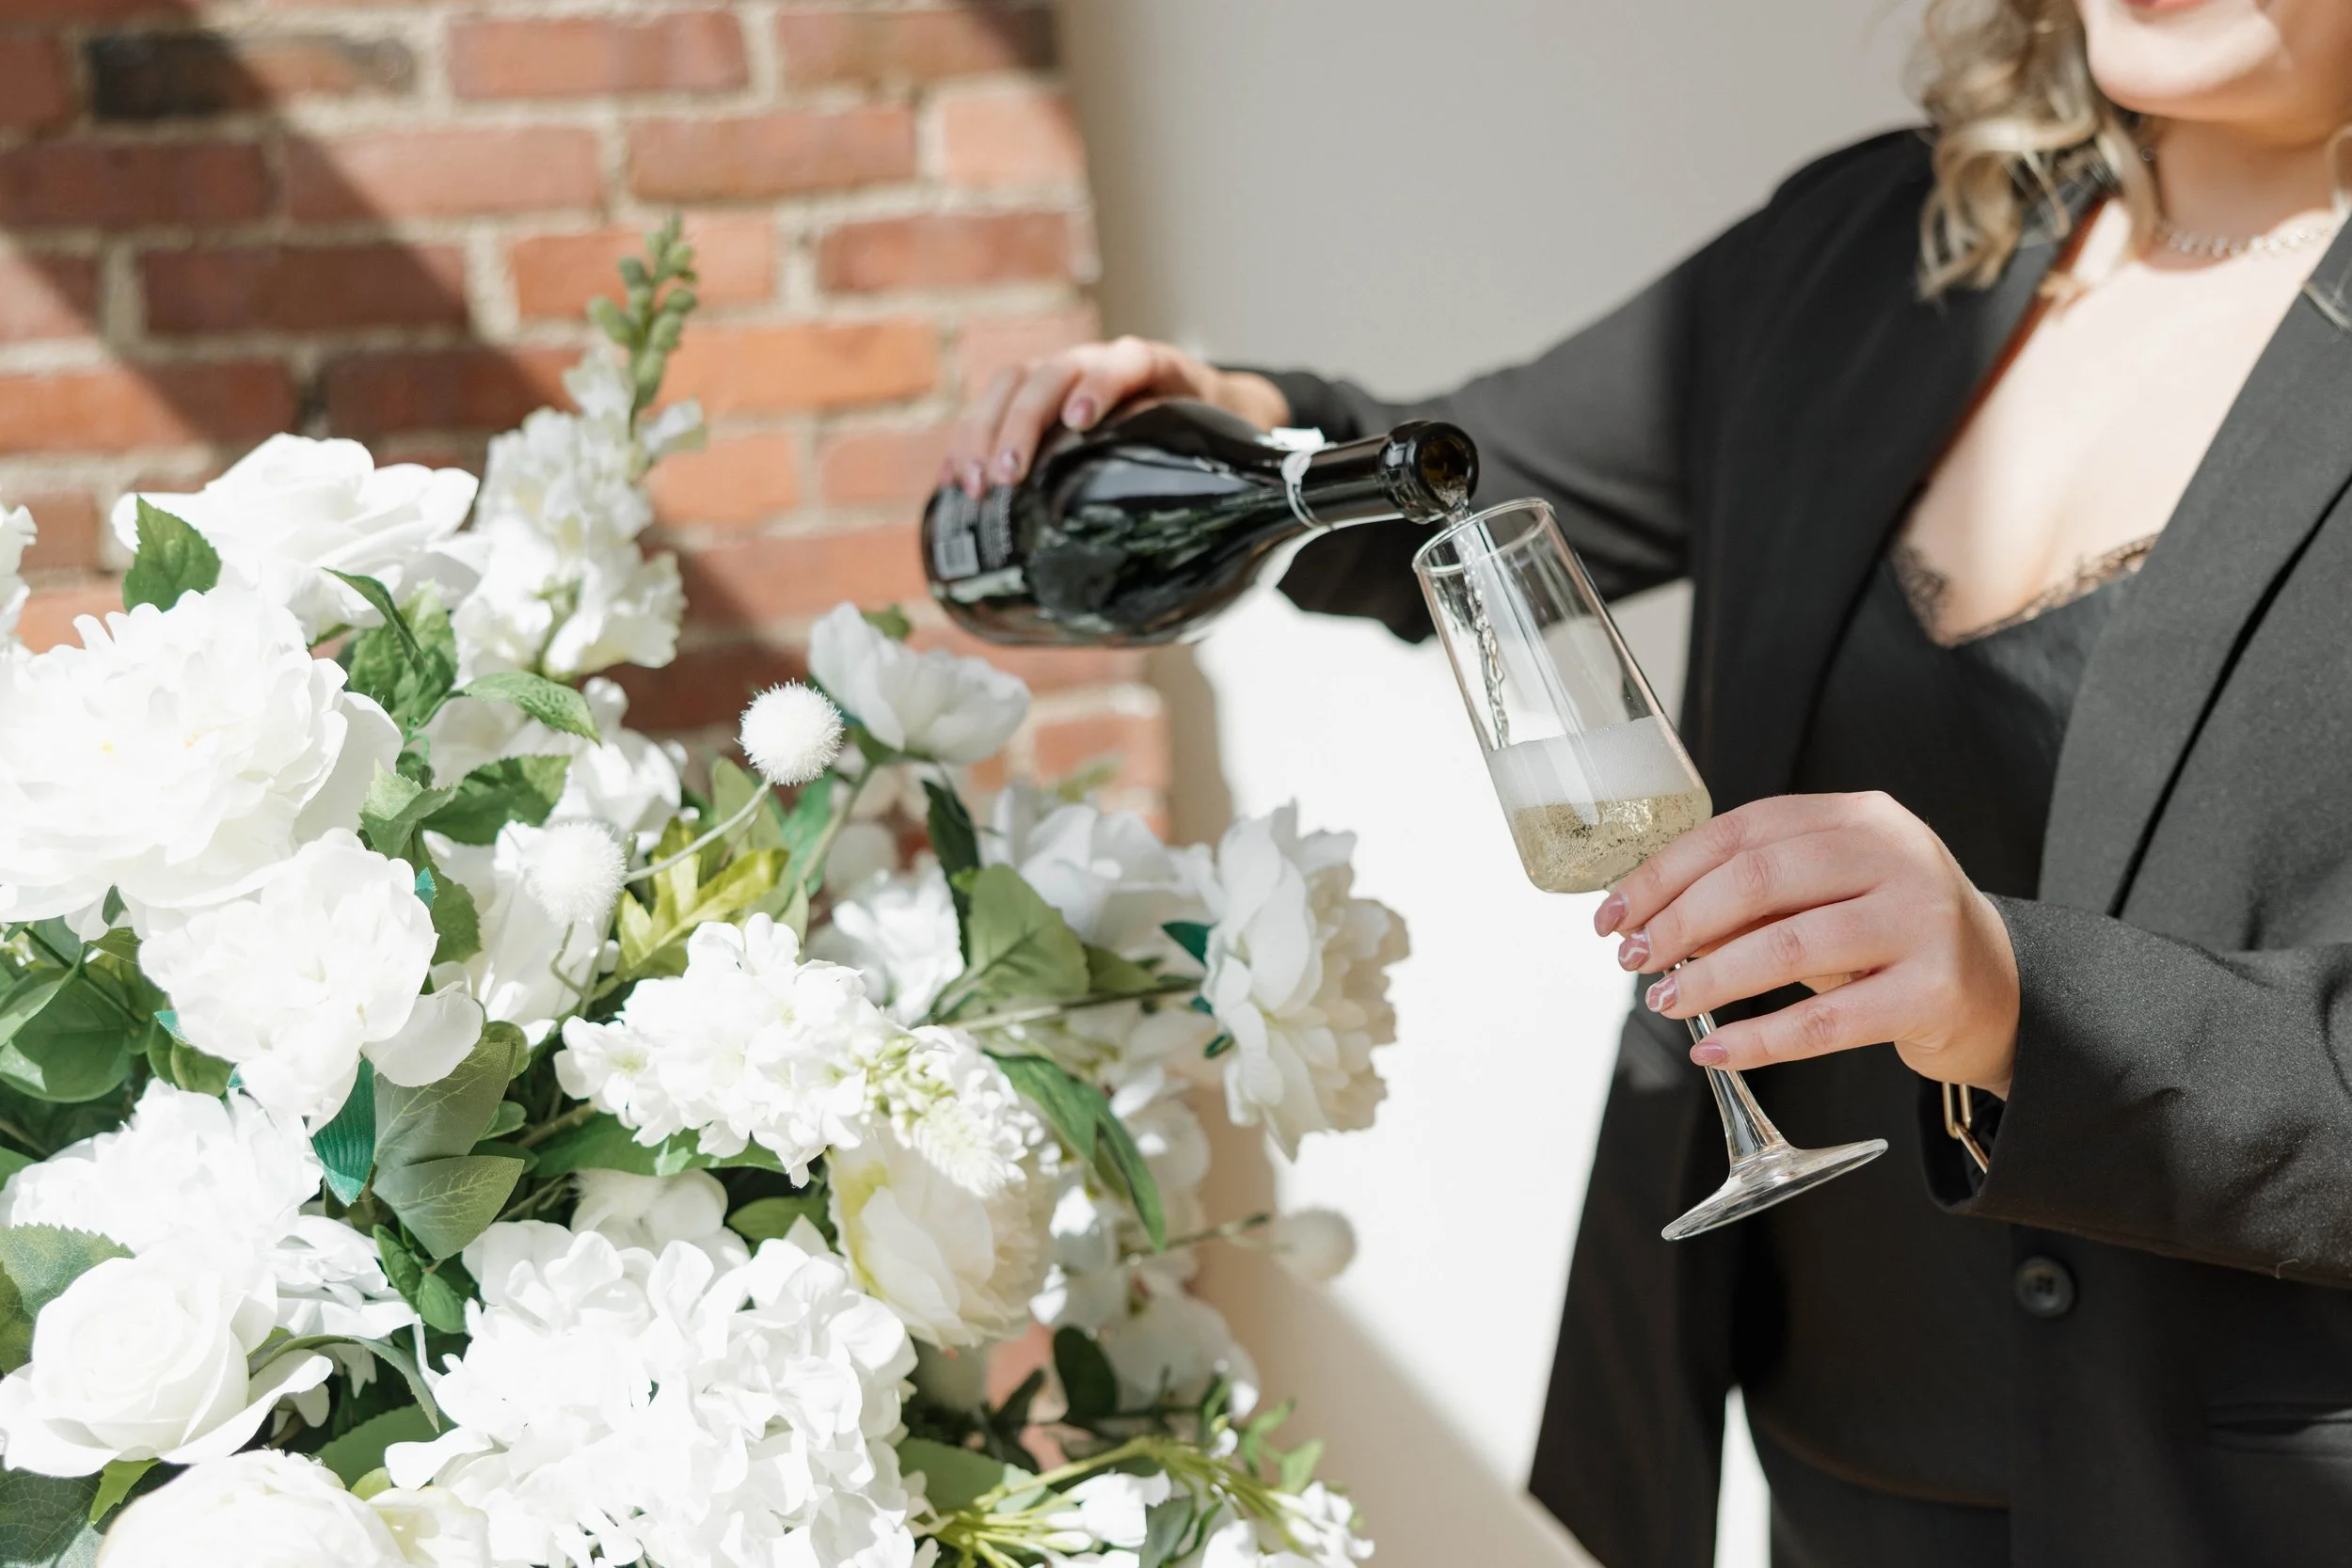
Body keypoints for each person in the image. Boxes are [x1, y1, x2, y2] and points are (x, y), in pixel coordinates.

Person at [942, 1, 2352, 1564]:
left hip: (2253, 1501)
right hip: (1841, 1471)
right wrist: (1244, 426)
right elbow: (1460, 503)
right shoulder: (1879, 241)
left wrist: (2027, 997)